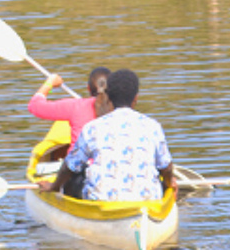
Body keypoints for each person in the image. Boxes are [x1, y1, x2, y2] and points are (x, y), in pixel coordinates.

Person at [59, 68, 173, 203]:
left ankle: (70, 207)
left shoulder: (92, 127)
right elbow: (166, 167)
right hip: (146, 202)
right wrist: (170, 183)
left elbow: (70, 166)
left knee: (75, 174)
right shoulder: (153, 126)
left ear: (109, 97)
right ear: (136, 98)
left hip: (102, 202)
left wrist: (54, 186)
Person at [29, 67, 110, 144]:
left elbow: (34, 105)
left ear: (88, 88)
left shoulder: (76, 106)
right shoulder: (117, 108)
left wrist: (50, 83)